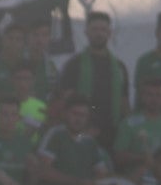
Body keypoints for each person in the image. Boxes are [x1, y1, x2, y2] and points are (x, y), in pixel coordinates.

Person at [56, 12, 130, 152]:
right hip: (82, 132)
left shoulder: (119, 67)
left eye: (103, 29)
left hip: (113, 134)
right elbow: (65, 100)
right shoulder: (74, 64)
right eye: (94, 29)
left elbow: (124, 103)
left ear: (109, 33)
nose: (99, 34)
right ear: (86, 32)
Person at [112, 77, 161, 177]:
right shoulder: (128, 123)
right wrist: (141, 158)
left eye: (159, 95)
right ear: (142, 97)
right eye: (150, 94)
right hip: (135, 181)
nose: (154, 99)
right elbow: (118, 157)